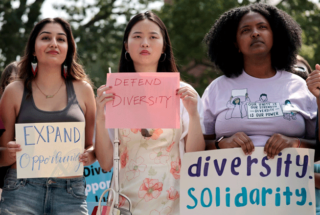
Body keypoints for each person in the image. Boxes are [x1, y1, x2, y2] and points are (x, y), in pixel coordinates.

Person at [94, 11, 205, 214]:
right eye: (137, 36)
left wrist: (194, 114)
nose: (145, 43)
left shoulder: (182, 93)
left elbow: (195, 156)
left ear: (164, 46)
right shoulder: (113, 95)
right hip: (125, 204)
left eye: (153, 37)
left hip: (176, 202)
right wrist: (100, 116)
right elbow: (105, 162)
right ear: (126, 46)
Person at [0, 17, 96, 214]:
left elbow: (91, 146)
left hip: (71, 192)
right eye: (46, 38)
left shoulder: (84, 91)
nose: (54, 43)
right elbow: (0, 154)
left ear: (69, 48)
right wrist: (7, 153)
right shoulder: (13, 91)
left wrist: (90, 155)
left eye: (61, 39)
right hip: (20, 190)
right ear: (33, 49)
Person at [202, 3, 317, 160]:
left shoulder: (299, 86)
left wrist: (294, 143)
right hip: (230, 182)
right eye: (245, 30)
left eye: (262, 27)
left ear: (275, 36)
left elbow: (318, 148)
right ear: (235, 44)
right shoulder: (217, 88)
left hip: (289, 182)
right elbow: (197, 147)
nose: (255, 33)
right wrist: (221, 144)